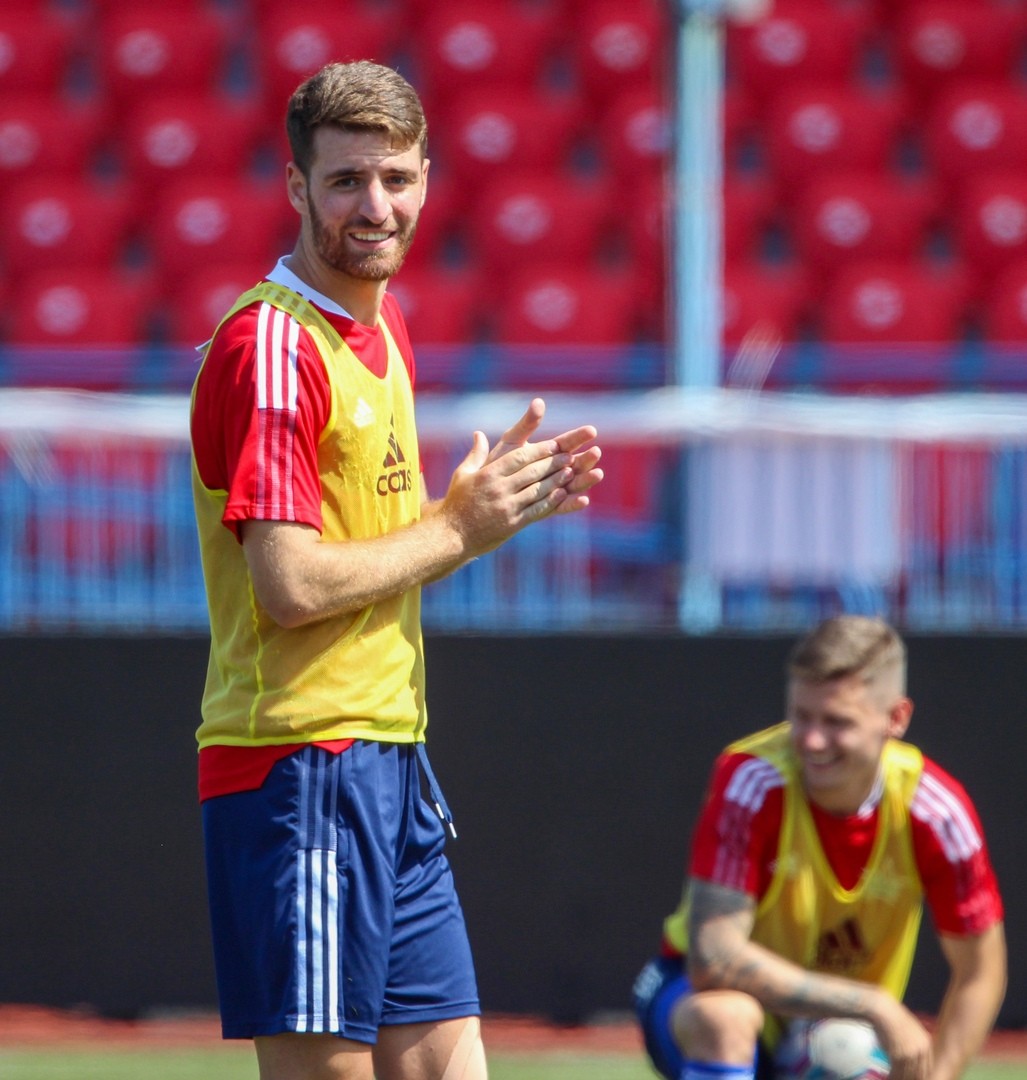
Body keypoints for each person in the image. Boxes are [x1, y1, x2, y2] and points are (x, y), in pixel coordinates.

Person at [189, 60, 603, 1080]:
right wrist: (457, 529)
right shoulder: (272, 347)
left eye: (396, 179)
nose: (375, 207)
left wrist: (481, 514)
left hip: (390, 758)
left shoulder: (382, 323)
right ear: (297, 187)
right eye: (345, 181)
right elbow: (290, 585)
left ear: (426, 180)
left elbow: (371, 550)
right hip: (301, 764)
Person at [633, 615, 1006, 1080]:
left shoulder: (937, 813)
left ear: (896, 718)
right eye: (801, 716)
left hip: (845, 1031)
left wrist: (938, 1074)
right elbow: (713, 959)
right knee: (726, 1017)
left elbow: (980, 972)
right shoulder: (750, 781)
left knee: (851, 1053)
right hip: (694, 992)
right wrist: (873, 1005)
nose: (812, 741)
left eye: (836, 722)